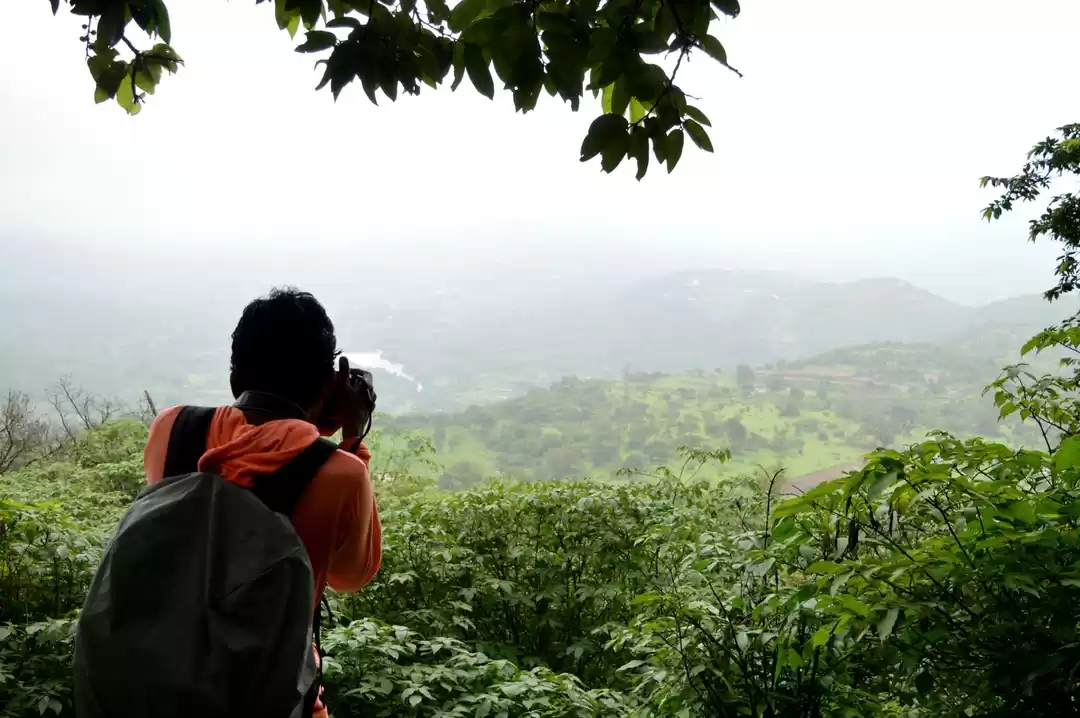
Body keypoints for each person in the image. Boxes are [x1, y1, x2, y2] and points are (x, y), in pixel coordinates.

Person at [142, 287, 382, 718]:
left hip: (160, 684)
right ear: (326, 387)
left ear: (236, 378)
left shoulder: (171, 430)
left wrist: (307, 426)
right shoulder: (344, 474)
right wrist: (351, 438)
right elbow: (350, 575)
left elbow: (243, 462)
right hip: (270, 696)